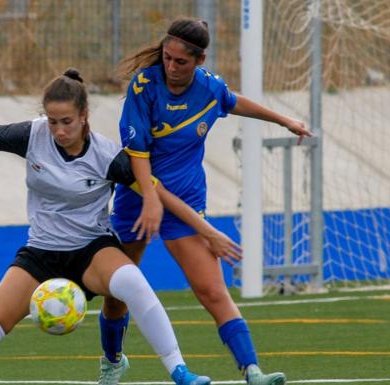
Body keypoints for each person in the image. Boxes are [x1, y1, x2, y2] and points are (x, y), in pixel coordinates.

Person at [0, 69, 241, 385]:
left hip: (92, 250)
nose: (59, 130)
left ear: (84, 115)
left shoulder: (106, 154)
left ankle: (179, 370)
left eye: (67, 122)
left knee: (134, 283)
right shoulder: (31, 136)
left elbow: (160, 194)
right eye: (52, 121)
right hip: (41, 254)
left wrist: (207, 231)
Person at [97, 17, 313, 385]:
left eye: (180, 62)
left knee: (212, 290)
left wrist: (282, 120)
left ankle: (253, 371)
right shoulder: (144, 86)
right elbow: (136, 154)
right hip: (138, 199)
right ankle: (113, 360)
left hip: (187, 200)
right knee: (118, 291)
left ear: (199, 61)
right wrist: (150, 198)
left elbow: (231, 101)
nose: (171, 67)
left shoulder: (209, 87)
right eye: (167, 57)